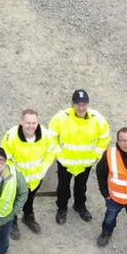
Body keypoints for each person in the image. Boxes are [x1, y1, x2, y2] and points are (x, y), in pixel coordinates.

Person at [48, 89, 111, 224]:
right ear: (72, 104)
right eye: (78, 104)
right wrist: (58, 153)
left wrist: (96, 155)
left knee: (81, 186)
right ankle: (62, 208)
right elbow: (51, 136)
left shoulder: (97, 119)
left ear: (88, 104)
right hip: (65, 161)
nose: (81, 108)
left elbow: (104, 137)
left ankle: (79, 205)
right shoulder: (61, 118)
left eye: (84, 104)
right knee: (63, 186)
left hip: (85, 162)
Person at [0, 109, 59, 239]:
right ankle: (12, 221)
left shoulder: (45, 135)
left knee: (30, 198)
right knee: (14, 201)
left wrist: (43, 168)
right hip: (17, 179)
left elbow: (51, 151)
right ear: (21, 122)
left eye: (34, 123)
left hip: (35, 179)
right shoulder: (11, 137)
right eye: (28, 123)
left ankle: (28, 216)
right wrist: (12, 174)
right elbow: (4, 158)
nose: (31, 126)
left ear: (38, 123)